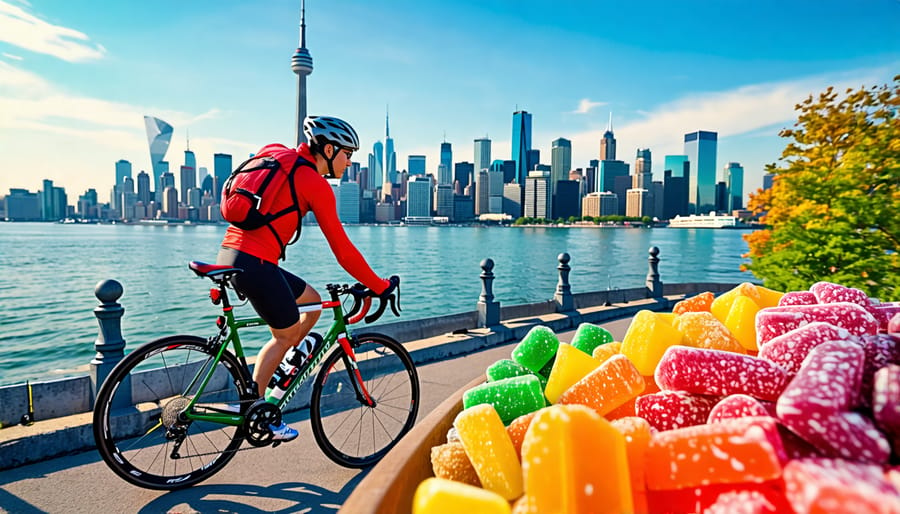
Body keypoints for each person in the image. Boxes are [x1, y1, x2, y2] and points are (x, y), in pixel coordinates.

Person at [216, 115, 395, 442]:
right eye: (347, 154)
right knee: (283, 336)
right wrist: (379, 285)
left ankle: (283, 363)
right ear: (328, 149)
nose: (350, 163)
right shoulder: (315, 183)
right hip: (256, 263)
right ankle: (256, 409)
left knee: (312, 303)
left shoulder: (273, 153)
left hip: (231, 254)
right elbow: (343, 250)